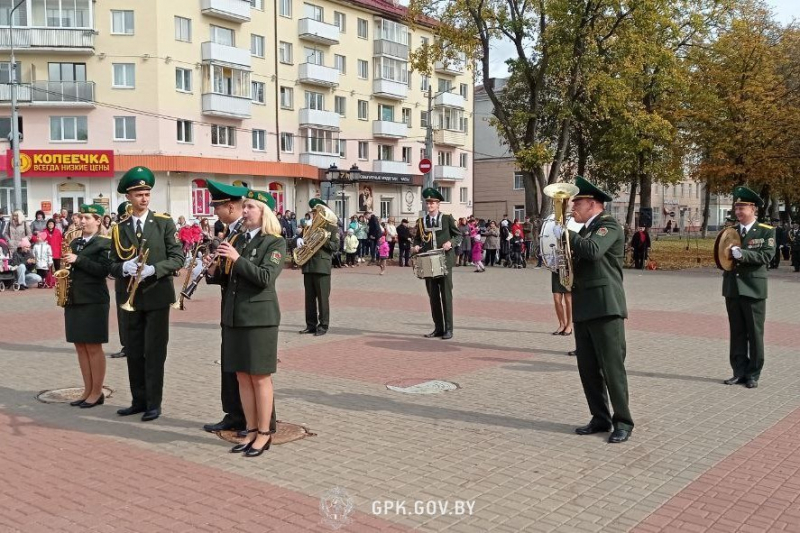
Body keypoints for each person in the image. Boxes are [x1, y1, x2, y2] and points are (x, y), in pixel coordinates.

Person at [207, 189, 285, 456]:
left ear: (264, 213)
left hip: (259, 319)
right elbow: (230, 279)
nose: (246, 210)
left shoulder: (274, 242)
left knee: (260, 377)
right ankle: (250, 430)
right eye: (246, 205)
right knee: (241, 376)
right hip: (235, 316)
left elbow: (264, 277)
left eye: (251, 206)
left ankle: (264, 433)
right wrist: (213, 269)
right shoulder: (238, 239)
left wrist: (236, 259)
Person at [556, 176, 633, 444]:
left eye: (576, 202)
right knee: (588, 369)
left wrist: (566, 233)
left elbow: (592, 251)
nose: (572, 206)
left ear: (592, 203)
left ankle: (623, 421)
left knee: (612, 368)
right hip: (584, 306)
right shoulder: (586, 229)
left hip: (605, 306)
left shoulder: (607, 225)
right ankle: (599, 417)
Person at [110, 167, 184, 422]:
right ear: (128, 197)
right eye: (138, 194)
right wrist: (123, 267)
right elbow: (110, 263)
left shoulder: (163, 222)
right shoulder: (119, 228)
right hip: (130, 297)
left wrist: (155, 269)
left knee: (154, 351)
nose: (144, 198)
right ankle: (138, 400)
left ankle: (154, 403)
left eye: (147, 193)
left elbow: (178, 257)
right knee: (134, 350)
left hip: (157, 295)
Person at [202, 180, 252, 434]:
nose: (215, 211)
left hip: (245, 309)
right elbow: (226, 275)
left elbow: (252, 273)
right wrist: (211, 268)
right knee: (229, 363)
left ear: (231, 207)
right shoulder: (230, 233)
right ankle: (233, 413)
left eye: (218, 206)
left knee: (248, 368)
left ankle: (252, 419)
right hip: (229, 307)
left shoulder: (244, 234)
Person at [722, 187, 776, 389]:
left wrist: (742, 255)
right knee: (736, 332)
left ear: (754, 209)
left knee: (754, 333)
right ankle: (738, 371)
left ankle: (753, 373)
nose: (738, 212)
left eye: (742, 207)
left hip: (753, 288)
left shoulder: (766, 231)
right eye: (736, 208)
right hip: (733, 288)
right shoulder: (731, 231)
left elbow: (765, 256)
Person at [63, 204, 112, 408]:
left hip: (93, 300)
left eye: (87, 218)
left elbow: (104, 270)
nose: (82, 221)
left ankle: (97, 391)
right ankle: (87, 389)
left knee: (93, 346)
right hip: (74, 298)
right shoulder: (75, 242)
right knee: (80, 346)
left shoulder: (104, 243)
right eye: (81, 217)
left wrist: (78, 260)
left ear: (98, 221)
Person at [412, 188, 461, 340]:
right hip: (427, 261)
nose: (430, 205)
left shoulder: (446, 218)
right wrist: (416, 246)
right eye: (428, 203)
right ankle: (438, 328)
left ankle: (449, 329)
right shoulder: (422, 221)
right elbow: (418, 239)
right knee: (433, 296)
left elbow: (458, 236)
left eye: (433, 203)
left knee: (446, 295)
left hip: (444, 259)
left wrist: (450, 243)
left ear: (438, 204)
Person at [300, 199, 340, 336]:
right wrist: (298, 241)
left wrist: (322, 239)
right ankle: (310, 325)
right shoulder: (310, 228)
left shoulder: (332, 228)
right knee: (309, 299)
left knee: (323, 299)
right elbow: (301, 241)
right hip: (308, 266)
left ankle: (323, 325)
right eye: (314, 213)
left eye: (317, 212)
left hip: (322, 267)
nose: (314, 215)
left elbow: (335, 247)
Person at [109, 202, 132, 359]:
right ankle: (126, 345)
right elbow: (113, 257)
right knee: (123, 316)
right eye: (125, 215)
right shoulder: (118, 231)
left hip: (141, 279)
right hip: (123, 280)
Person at [551, 272, 573, 336]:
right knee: (557, 299)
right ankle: (562, 325)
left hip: (566, 272)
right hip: (556, 271)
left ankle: (569, 326)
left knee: (568, 300)